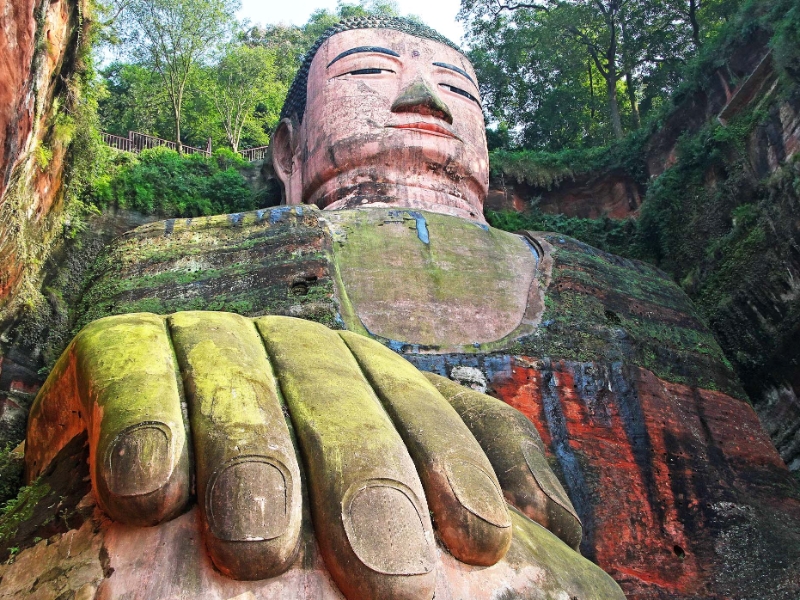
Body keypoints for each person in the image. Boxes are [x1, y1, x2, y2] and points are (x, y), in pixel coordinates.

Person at [21, 17, 625, 600]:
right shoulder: (177, 253)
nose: (424, 99)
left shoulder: (615, 290)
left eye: (457, 87)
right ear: (289, 150)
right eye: (367, 73)